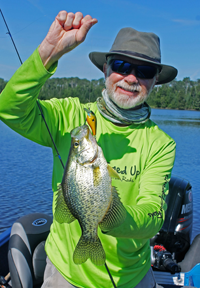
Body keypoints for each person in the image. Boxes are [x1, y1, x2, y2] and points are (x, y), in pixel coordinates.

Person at [0, 10, 177, 288]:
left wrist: (109, 214)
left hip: (131, 277)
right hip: (65, 273)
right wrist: (48, 53)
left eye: (144, 72)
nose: (131, 78)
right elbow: (9, 109)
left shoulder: (160, 144)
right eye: (121, 65)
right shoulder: (71, 115)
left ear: (155, 81)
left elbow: (154, 215)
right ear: (105, 69)